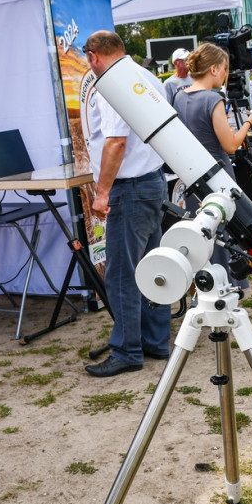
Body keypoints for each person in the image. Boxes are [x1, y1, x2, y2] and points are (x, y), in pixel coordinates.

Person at [81, 30, 171, 377]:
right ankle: (154, 340)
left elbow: (115, 143)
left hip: (130, 187)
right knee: (153, 268)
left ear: (94, 56)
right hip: (151, 181)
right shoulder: (147, 76)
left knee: (121, 274)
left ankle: (127, 351)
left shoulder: (112, 82)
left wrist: (101, 193)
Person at [173, 42, 252, 277]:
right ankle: (226, 279)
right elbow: (231, 145)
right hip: (218, 175)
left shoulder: (179, 97)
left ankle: (204, 279)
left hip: (193, 175)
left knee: (202, 232)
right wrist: (249, 122)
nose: (226, 75)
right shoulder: (213, 100)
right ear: (214, 69)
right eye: (224, 69)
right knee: (224, 229)